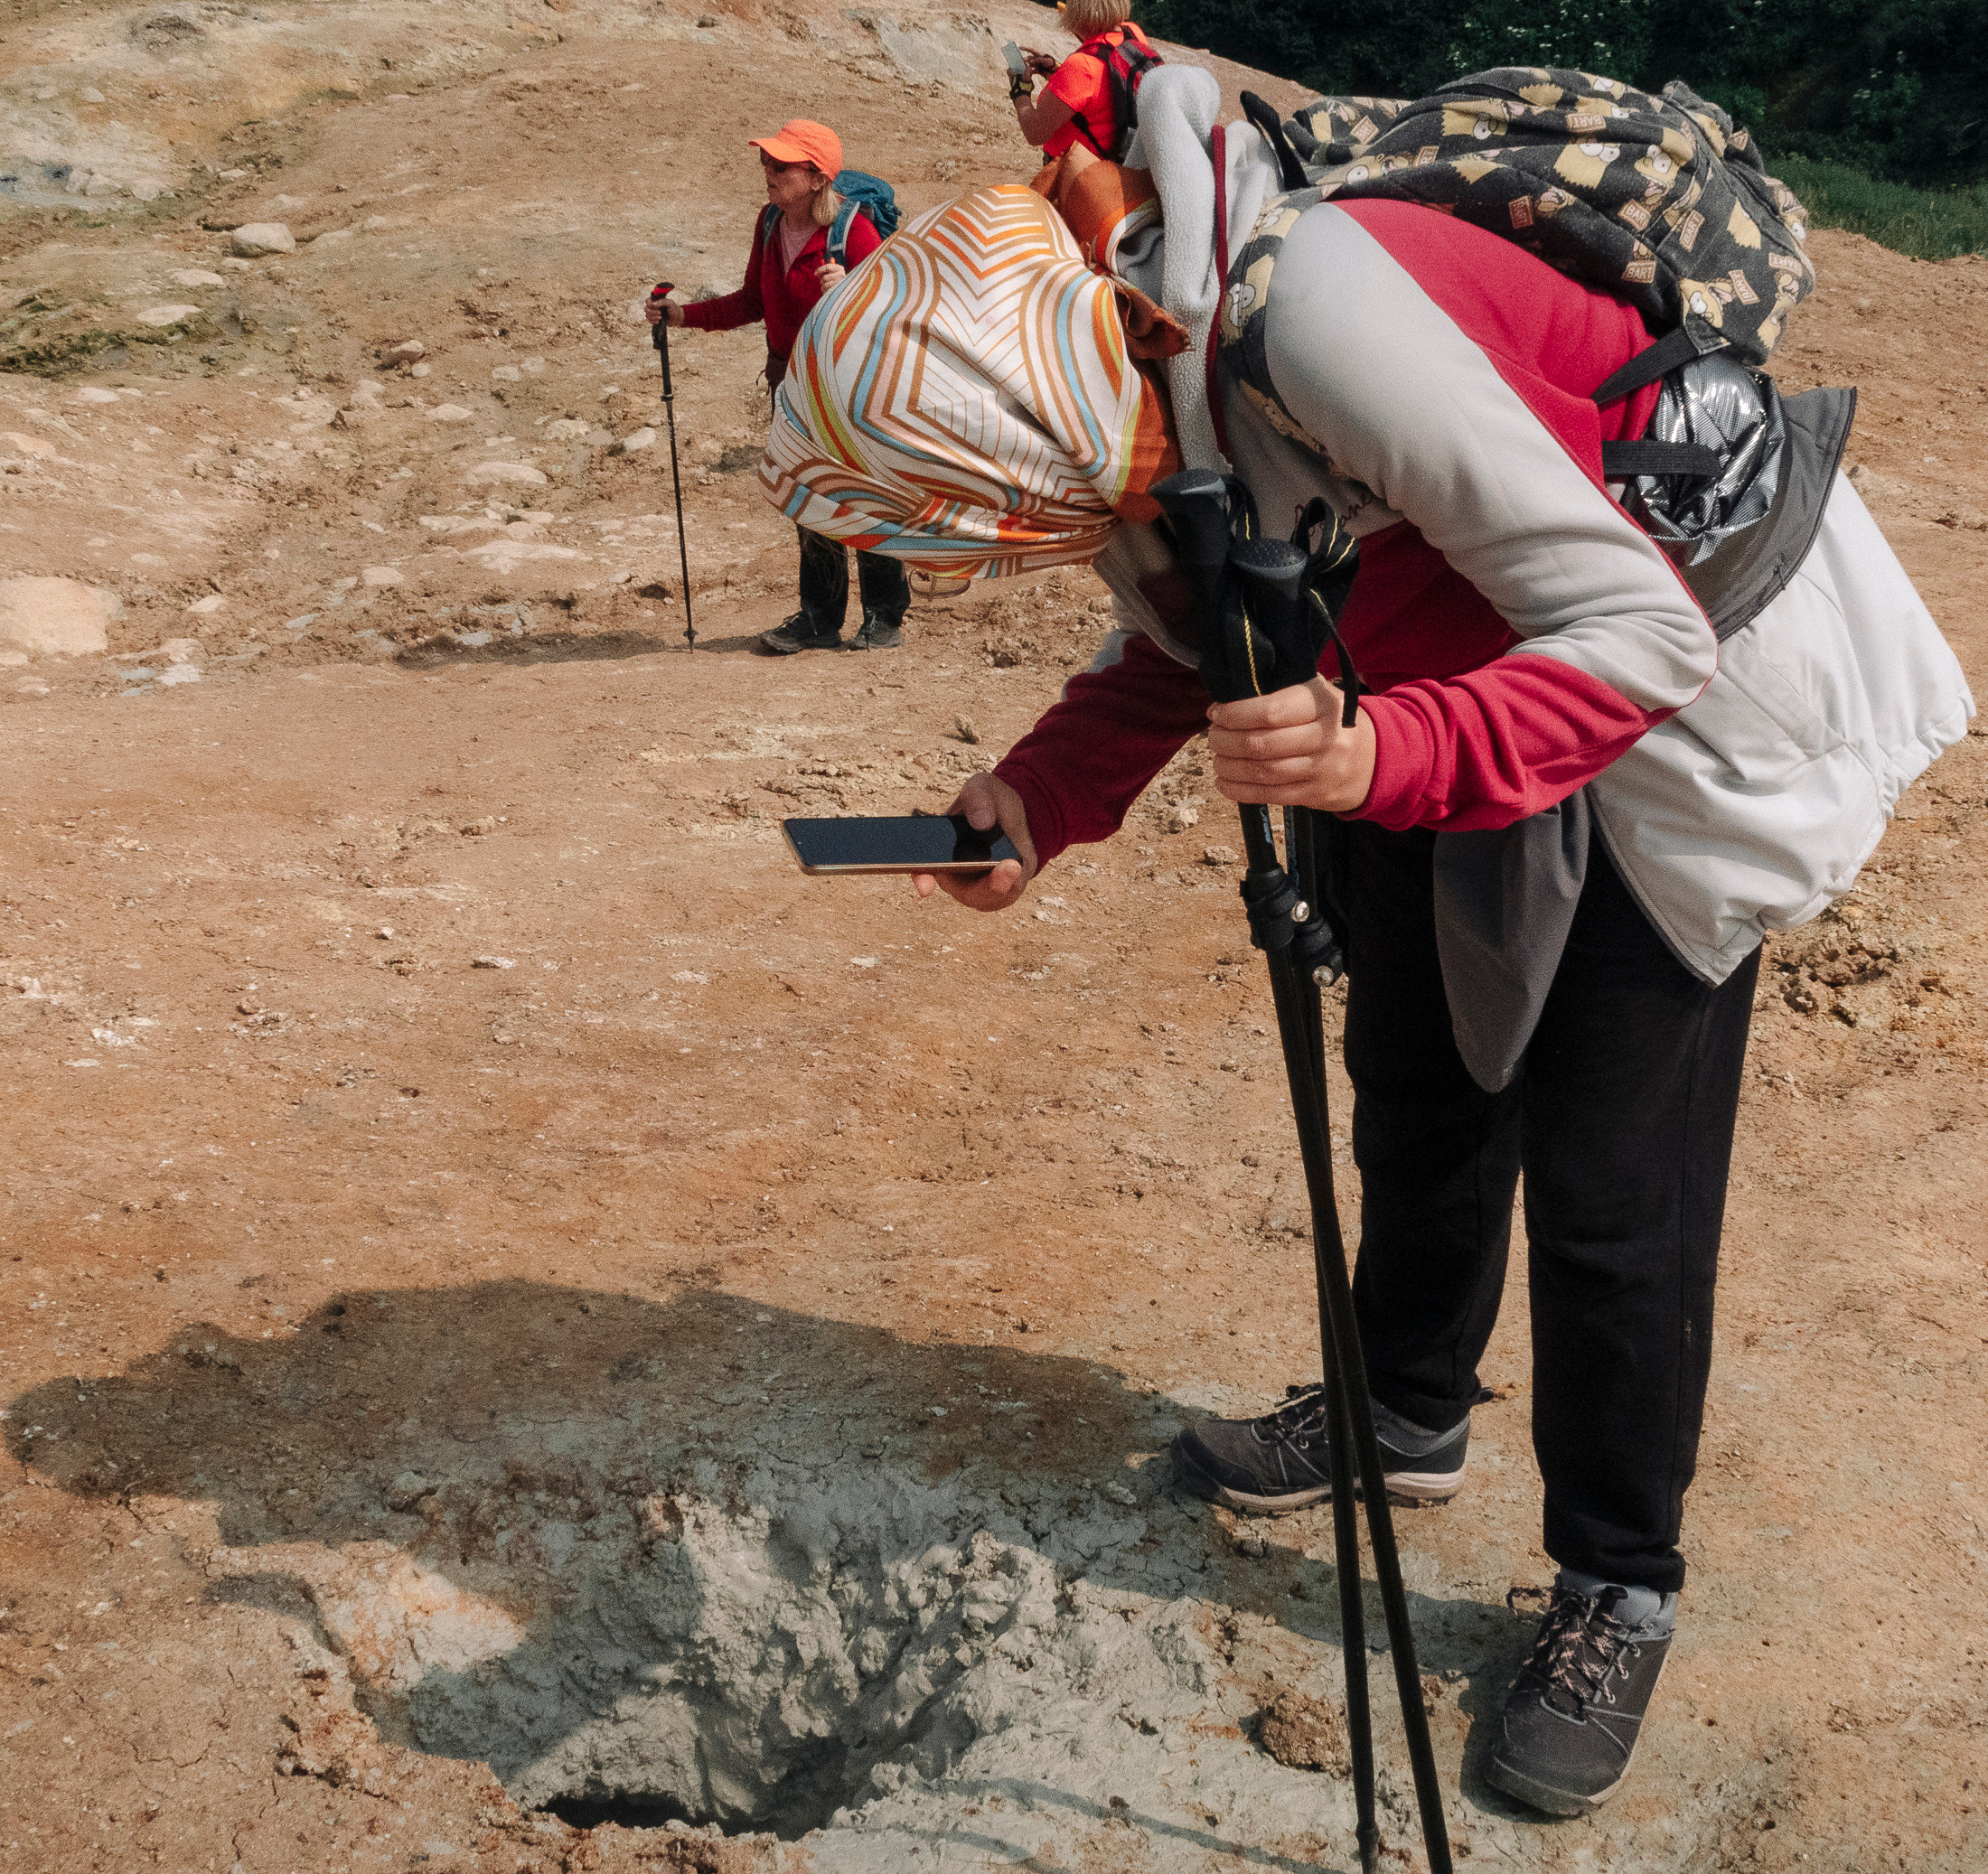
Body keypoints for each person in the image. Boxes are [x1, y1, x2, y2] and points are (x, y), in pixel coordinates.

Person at [758, 94, 1970, 1819]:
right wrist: (1035, 798)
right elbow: (1204, 615)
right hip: (1411, 692)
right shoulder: (1128, 375)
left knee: (1617, 1185)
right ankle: (1406, 1414)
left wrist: (1376, 759)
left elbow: (1642, 633)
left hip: (1653, 695)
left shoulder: (1319, 315)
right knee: (1409, 1076)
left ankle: (1620, 1579)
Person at [644, 118, 906, 654]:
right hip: (790, 383)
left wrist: (853, 290)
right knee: (808, 496)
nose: (768, 171)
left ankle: (884, 616)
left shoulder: (852, 231)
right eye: (767, 161)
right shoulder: (769, 223)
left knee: (866, 496)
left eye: (781, 164)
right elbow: (752, 302)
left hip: (849, 386)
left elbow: (894, 311)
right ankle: (820, 617)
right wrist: (681, 316)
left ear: (815, 177)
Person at [1009, 0, 1158, 162]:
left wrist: (1020, 91)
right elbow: (1104, 89)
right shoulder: (1132, 33)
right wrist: (1055, 71)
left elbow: (1035, 133)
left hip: (1080, 176)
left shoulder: (1081, 67)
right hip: (1119, 164)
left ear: (1080, 8)